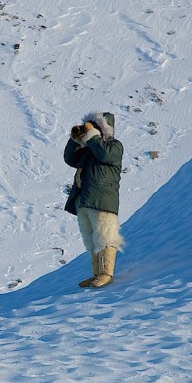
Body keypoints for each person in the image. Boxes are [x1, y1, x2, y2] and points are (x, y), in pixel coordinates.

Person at [63, 112, 123, 288]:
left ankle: (106, 274)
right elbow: (70, 158)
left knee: (105, 234)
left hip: (102, 198)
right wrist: (75, 139)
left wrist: (92, 136)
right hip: (84, 198)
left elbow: (105, 155)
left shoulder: (114, 146)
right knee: (91, 237)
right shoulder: (89, 150)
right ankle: (96, 274)